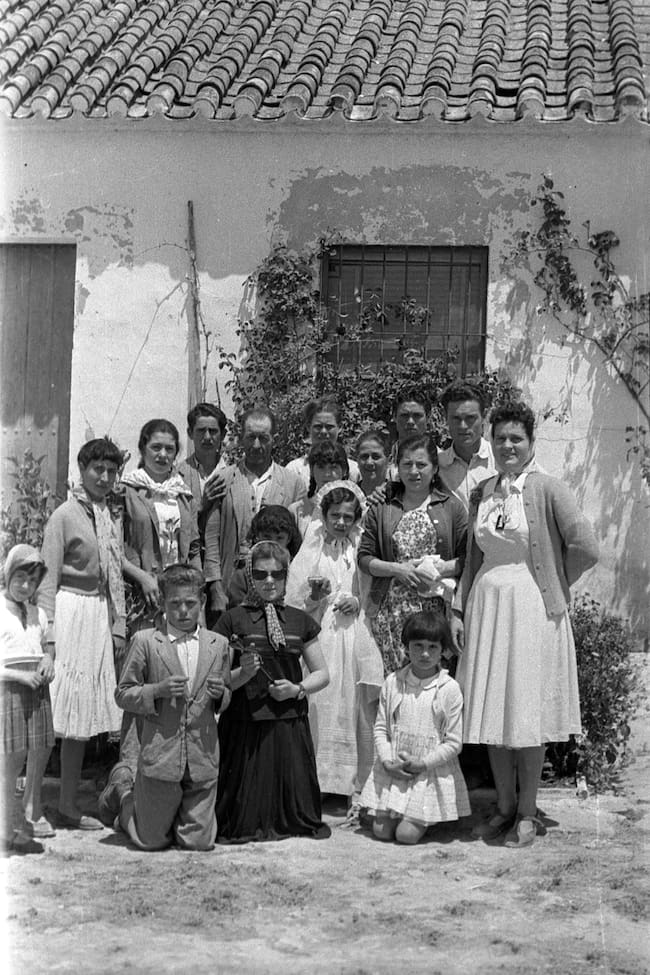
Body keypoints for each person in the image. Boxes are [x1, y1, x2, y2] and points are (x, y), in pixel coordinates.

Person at [455, 401, 599, 848]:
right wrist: (459, 610)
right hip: (488, 607)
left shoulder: (549, 489)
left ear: (531, 443)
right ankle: (502, 807)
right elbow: (472, 560)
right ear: (491, 442)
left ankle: (527, 811)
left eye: (517, 438)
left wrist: (553, 582)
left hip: (533, 611)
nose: (508, 445)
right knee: (495, 711)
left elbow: (586, 546)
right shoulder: (482, 491)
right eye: (500, 438)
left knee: (526, 711)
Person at [97, 565, 231, 851]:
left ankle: (166, 815)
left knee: (199, 843)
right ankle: (122, 792)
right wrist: (155, 691)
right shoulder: (146, 641)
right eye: (175, 604)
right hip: (160, 758)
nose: (183, 610)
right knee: (151, 841)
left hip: (202, 759)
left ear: (203, 602)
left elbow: (226, 693)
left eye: (190, 604)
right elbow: (123, 693)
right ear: (163, 603)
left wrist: (222, 695)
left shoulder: (219, 645)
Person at [213, 541, 330, 843]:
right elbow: (219, 680)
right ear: (250, 575)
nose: (269, 581)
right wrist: (245, 673)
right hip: (244, 724)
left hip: (288, 721)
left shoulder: (299, 619)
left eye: (277, 575)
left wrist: (297, 689)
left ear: (285, 576)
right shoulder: (231, 620)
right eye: (261, 574)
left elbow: (322, 674)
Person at [38, 438, 127, 829]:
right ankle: (30, 808)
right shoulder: (63, 515)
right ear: (82, 470)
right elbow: (46, 578)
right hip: (69, 610)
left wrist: (117, 624)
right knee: (52, 713)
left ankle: (70, 805)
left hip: (96, 615)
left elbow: (113, 572)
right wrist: (49, 637)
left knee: (81, 716)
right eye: (98, 470)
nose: (105, 478)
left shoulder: (107, 515)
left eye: (112, 471)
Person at [286, 483, 383, 818]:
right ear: (323, 517)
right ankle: (316, 781)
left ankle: (351, 783)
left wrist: (358, 601)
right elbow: (294, 600)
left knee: (353, 704)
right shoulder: (312, 550)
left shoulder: (358, 548)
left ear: (356, 518)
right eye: (335, 515)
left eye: (347, 516)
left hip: (354, 633)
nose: (341, 522)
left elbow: (368, 588)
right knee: (320, 703)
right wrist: (315, 594)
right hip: (322, 634)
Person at [358, 434, 467, 676]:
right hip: (392, 610)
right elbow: (365, 558)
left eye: (421, 464)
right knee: (396, 684)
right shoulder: (382, 506)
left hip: (435, 611)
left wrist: (438, 570)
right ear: (397, 467)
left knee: (434, 683)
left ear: (435, 468)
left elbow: (467, 558)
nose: (414, 471)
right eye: (407, 464)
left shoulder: (452, 507)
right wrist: (398, 569)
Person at [360, 611, 471, 845]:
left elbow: (453, 743)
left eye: (432, 647)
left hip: (427, 772)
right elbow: (381, 728)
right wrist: (388, 760)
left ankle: (426, 817)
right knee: (381, 831)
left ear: (443, 651)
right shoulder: (393, 682)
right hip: (395, 769)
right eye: (417, 645)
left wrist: (423, 763)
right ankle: (393, 812)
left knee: (405, 836)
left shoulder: (448, 689)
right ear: (406, 647)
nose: (424, 653)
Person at [203, 407, 305, 615]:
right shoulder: (223, 479)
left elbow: (297, 543)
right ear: (241, 439)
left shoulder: (293, 483)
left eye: (263, 438)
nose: (256, 445)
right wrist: (215, 587)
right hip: (231, 583)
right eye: (250, 437)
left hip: (277, 586)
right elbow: (211, 537)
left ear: (273, 439)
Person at [121, 418, 201, 634]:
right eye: (156, 447)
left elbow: (193, 548)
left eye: (169, 449)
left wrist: (194, 589)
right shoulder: (126, 492)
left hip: (178, 596)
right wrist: (143, 578)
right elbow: (112, 549)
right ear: (142, 449)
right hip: (140, 594)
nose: (163, 454)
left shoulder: (183, 494)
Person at [0, 546, 55, 853]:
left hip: (36, 690)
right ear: (8, 575)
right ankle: (6, 827)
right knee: (8, 761)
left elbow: (46, 648)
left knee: (30, 753)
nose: (25, 586)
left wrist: (48, 659)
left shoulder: (38, 614)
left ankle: (17, 819)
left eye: (31, 581)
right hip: (8, 689)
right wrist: (20, 677)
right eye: (19, 577)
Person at [228, 504, 302, 607]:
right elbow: (237, 614)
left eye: (279, 538)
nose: (273, 543)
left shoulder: (298, 571)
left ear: (289, 539)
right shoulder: (243, 575)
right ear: (257, 536)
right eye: (267, 537)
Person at [437, 381, 497, 509]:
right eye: (456, 418)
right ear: (445, 418)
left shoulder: (500, 460)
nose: (463, 426)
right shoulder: (437, 467)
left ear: (484, 416)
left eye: (470, 418)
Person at [286, 396, 359, 487]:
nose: (324, 432)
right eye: (318, 426)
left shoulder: (354, 470)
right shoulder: (294, 470)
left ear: (339, 427)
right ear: (309, 427)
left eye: (329, 427)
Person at [289, 442, 350, 538]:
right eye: (321, 467)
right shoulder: (297, 510)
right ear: (312, 470)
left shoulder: (356, 507)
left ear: (344, 470)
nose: (327, 474)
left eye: (333, 467)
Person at [386, 394, 429, 480]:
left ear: (428, 418)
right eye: (404, 415)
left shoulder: (441, 462)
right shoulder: (380, 459)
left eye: (417, 415)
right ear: (394, 417)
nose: (410, 421)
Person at [356, 429, 390, 498]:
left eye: (376, 457)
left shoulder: (399, 495)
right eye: (364, 456)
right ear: (357, 460)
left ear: (388, 460)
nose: (369, 462)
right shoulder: (349, 495)